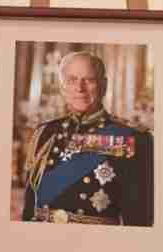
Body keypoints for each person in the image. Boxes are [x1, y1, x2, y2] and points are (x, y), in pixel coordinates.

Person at [21, 51, 154, 226]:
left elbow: (138, 218)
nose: (79, 88)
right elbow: (30, 206)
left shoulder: (133, 138)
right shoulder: (45, 133)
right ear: (63, 87)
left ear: (104, 86)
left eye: (89, 80)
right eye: (72, 80)